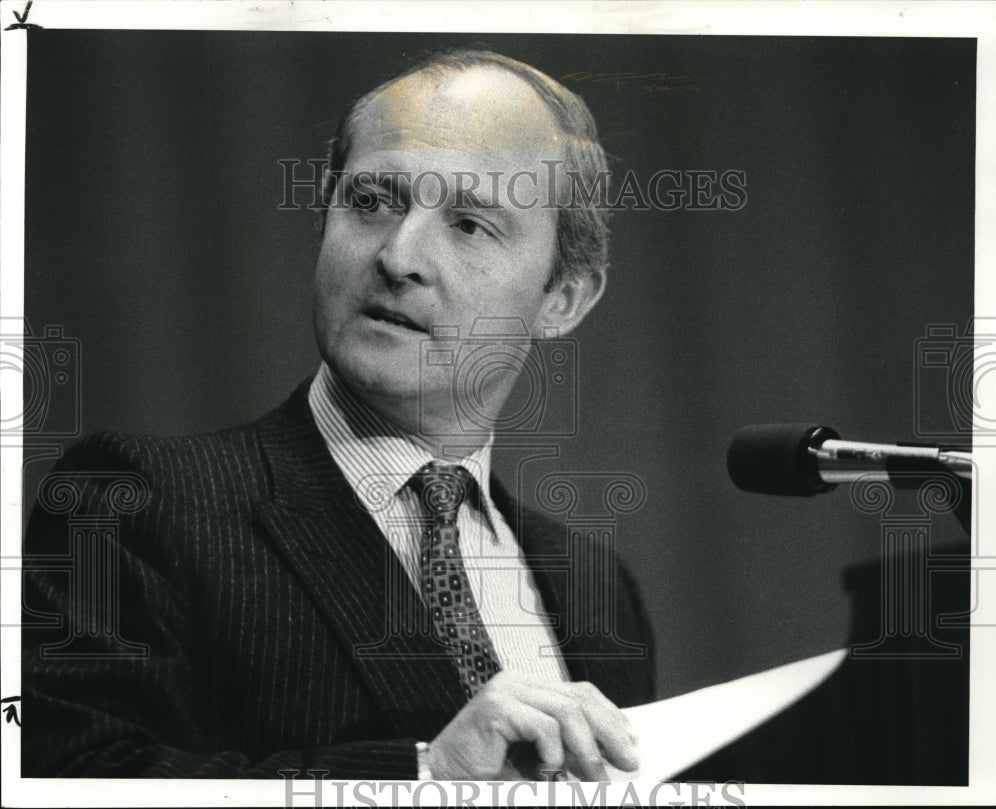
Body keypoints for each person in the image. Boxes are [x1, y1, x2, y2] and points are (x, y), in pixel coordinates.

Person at [21, 49, 655, 780]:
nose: (400, 255)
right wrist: (421, 777)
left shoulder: (597, 589)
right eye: (372, 200)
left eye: (471, 224)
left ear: (562, 298)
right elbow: (75, 779)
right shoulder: (136, 501)